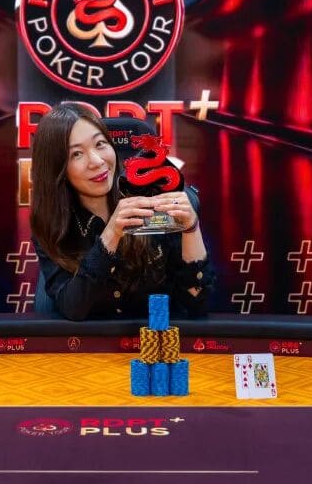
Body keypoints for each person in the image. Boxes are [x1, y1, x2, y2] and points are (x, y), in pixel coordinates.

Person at [29, 102, 214, 320]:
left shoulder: (152, 199)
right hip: (92, 341)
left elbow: (197, 304)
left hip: (153, 336)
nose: (97, 161)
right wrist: (112, 233)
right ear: (57, 168)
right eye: (76, 154)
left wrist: (191, 228)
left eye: (100, 144)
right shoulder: (53, 224)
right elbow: (74, 308)